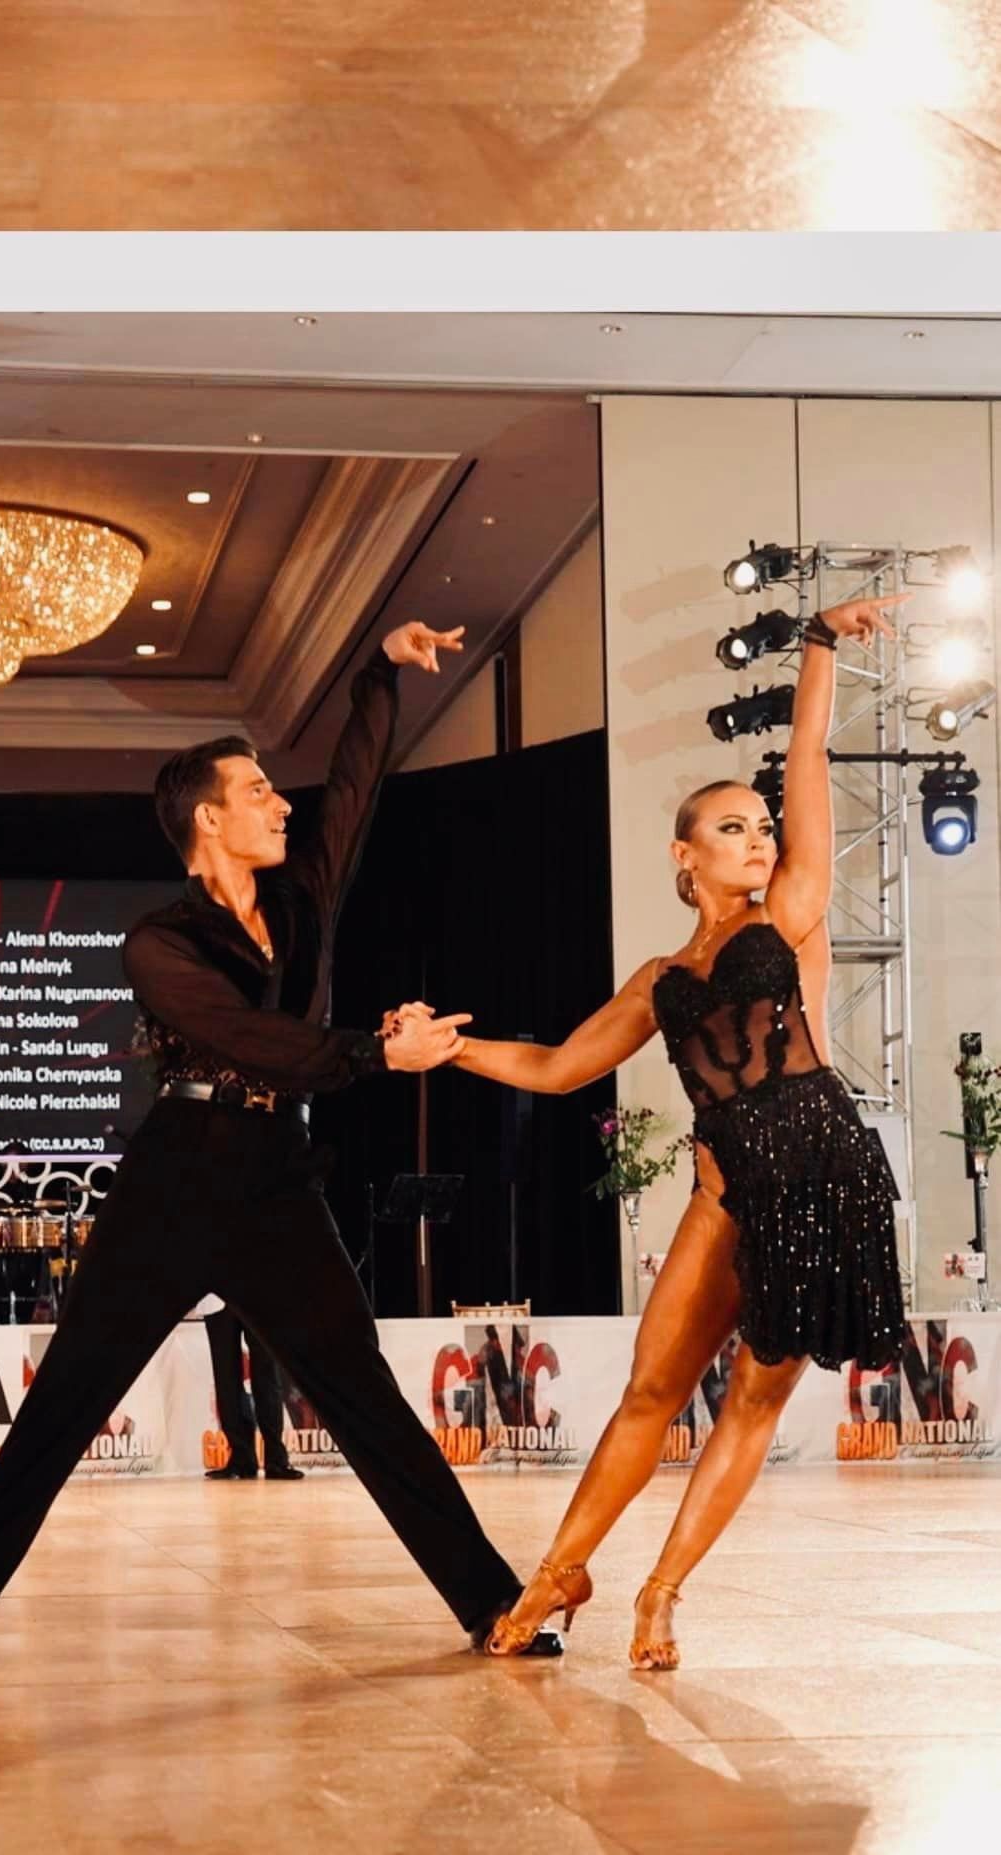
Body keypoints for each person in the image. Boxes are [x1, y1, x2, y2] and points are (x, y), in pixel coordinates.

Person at [0, 621, 561, 1663]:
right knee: (70, 1397)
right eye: (257, 791)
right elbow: (252, 1039)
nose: (280, 803)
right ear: (208, 817)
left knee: (365, 1396)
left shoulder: (300, 904)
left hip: (277, 1181)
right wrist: (376, 1053)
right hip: (177, 1178)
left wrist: (379, 674)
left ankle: (492, 1604)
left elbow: (352, 794)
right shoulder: (157, 942)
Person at [429, 593, 909, 1667]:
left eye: (762, 824)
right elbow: (556, 1066)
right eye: (732, 826)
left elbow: (808, 755)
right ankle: (559, 1572)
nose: (759, 836)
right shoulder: (659, 978)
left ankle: (661, 1591)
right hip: (724, 1187)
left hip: (821, 1176)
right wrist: (444, 1049)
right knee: (651, 1389)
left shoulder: (790, 914)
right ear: (683, 854)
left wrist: (819, 643)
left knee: (751, 1399)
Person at [202, 1299, 303, 1480]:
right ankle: (241, 1459)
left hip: (259, 1292)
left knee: (267, 1374)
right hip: (217, 1296)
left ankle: (276, 1458)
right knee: (226, 1375)